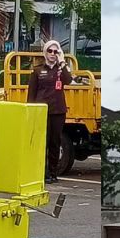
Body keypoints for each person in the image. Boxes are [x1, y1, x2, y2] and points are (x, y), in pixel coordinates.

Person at [27, 40, 72, 184]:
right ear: (45, 53)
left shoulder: (61, 70)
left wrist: (63, 62)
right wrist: (31, 111)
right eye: (50, 51)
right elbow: (31, 94)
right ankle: (42, 172)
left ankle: (53, 173)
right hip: (41, 111)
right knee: (42, 143)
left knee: (55, 142)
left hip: (58, 111)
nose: (53, 54)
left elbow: (69, 80)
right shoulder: (37, 70)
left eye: (56, 51)